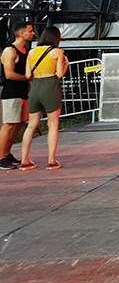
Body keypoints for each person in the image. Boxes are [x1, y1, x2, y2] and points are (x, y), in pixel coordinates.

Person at [18, 26, 67, 171]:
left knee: (31, 125)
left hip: (35, 88)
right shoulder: (57, 52)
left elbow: (28, 75)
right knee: (53, 124)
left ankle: (25, 161)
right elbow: (59, 74)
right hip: (50, 87)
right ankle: (51, 161)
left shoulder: (32, 52)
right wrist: (65, 65)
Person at [0, 19, 34, 169]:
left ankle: (6, 153)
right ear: (21, 33)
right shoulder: (10, 50)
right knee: (9, 124)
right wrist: (27, 78)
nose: (33, 33)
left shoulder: (26, 50)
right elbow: (9, 74)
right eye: (30, 31)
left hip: (23, 92)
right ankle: (1, 157)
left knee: (18, 124)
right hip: (11, 92)